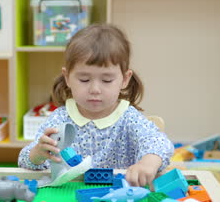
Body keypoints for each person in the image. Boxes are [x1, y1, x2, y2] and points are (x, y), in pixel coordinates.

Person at [18, 23, 174, 187]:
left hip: (118, 195)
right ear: (67, 78)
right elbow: (25, 162)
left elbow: (159, 143)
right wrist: (37, 154)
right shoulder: (60, 118)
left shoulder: (128, 117)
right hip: (69, 196)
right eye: (84, 80)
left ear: (125, 79)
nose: (95, 89)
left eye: (107, 80)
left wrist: (148, 163)